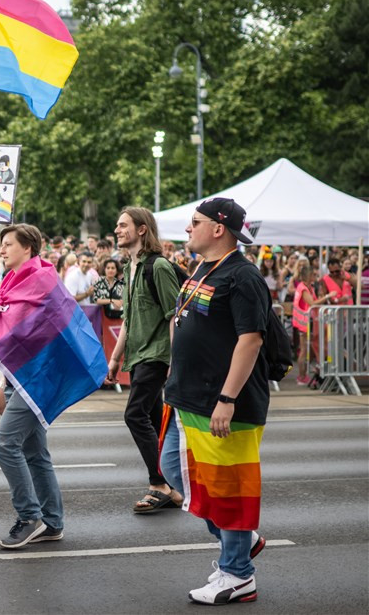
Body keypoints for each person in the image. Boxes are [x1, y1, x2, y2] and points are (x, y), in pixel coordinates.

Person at [160, 197, 269, 605]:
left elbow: (251, 339)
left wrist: (227, 398)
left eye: (195, 222)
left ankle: (238, 573)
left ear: (218, 228)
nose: (188, 228)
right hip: (188, 396)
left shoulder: (243, 276)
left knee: (228, 492)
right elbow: (184, 320)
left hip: (222, 403)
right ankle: (240, 539)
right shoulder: (204, 268)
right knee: (178, 473)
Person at [0, 224, 65, 549]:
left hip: (36, 377)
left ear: (28, 248)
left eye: (8, 244)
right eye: (1, 244)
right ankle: (52, 522)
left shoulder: (43, 279)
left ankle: (29, 516)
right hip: (15, 376)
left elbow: (43, 332)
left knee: (5, 444)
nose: (1, 249)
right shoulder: (9, 282)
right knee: (35, 453)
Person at [106, 207, 183, 513]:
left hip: (157, 354)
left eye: (122, 225)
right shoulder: (129, 268)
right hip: (138, 355)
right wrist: (114, 359)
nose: (117, 229)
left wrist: (175, 361)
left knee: (134, 415)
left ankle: (159, 484)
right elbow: (127, 319)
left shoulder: (159, 266)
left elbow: (174, 316)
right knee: (152, 420)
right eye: (117, 225)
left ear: (141, 230)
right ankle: (172, 489)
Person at [291, 264, 334, 384]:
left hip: (308, 323)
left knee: (309, 349)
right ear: (308, 275)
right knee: (304, 350)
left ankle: (308, 372)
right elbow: (312, 303)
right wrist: (327, 296)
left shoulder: (308, 286)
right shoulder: (303, 288)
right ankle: (301, 376)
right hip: (303, 323)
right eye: (313, 275)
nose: (315, 276)